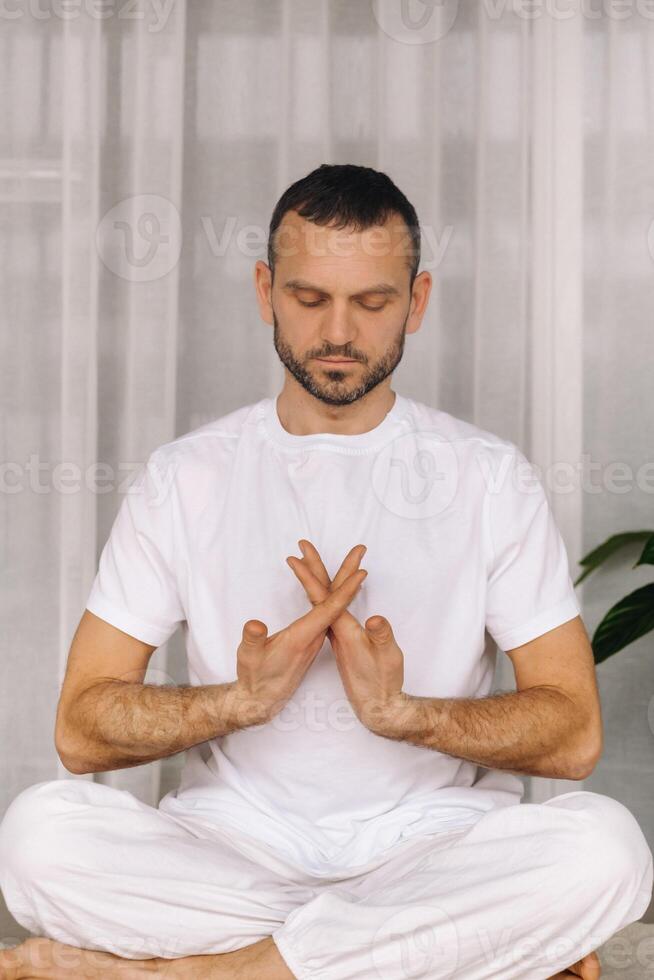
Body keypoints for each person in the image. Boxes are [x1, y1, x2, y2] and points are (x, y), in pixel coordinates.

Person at [0, 164, 651, 980]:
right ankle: (426, 955)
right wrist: (243, 702)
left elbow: (575, 735)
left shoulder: (489, 477)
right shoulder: (186, 476)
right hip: (235, 851)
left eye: (372, 303)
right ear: (266, 291)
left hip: (428, 850)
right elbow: (80, 730)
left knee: (606, 850)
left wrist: (406, 714)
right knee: (38, 837)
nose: (338, 331)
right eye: (310, 299)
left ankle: (207, 973)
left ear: (415, 303)